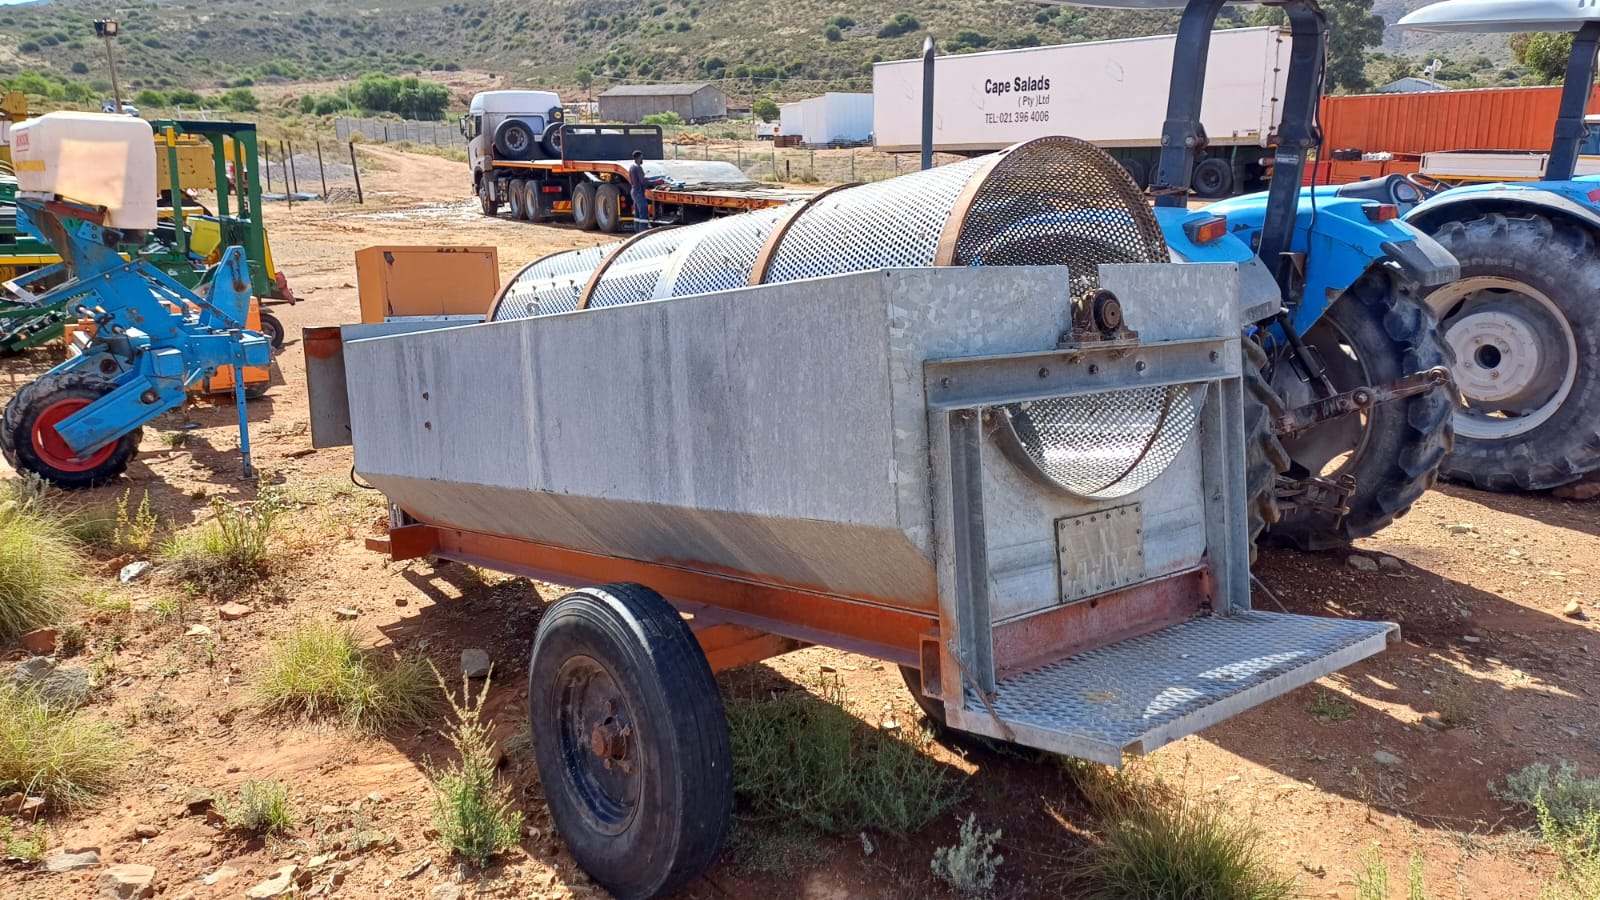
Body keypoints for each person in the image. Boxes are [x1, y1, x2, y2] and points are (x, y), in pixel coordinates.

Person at [627, 150, 651, 232]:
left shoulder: (632, 167)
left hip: (634, 191)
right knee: (643, 214)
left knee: (637, 214)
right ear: (639, 157)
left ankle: (637, 232)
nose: (642, 159)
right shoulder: (638, 168)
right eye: (641, 157)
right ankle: (643, 233)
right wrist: (653, 182)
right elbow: (642, 181)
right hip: (639, 192)